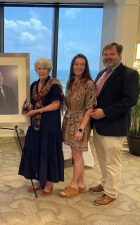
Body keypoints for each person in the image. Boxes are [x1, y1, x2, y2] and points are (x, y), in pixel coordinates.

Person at [90, 42, 140, 205]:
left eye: (111, 54)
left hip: (114, 125)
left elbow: (129, 100)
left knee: (112, 162)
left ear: (119, 55)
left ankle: (111, 193)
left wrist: (105, 112)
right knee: (102, 159)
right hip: (99, 126)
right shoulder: (101, 74)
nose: (108, 57)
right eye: (105, 54)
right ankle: (105, 184)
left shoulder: (129, 74)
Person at [18, 57, 64, 196]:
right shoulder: (34, 85)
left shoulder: (55, 84)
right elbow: (32, 103)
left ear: (49, 69)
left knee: (49, 152)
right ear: (36, 70)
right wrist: (27, 108)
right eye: (39, 68)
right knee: (36, 151)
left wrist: (37, 111)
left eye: (44, 68)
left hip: (50, 125)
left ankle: (49, 183)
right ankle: (39, 180)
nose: (42, 71)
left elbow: (56, 105)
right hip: (36, 125)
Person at [59, 54, 96, 198]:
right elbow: (67, 102)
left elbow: (89, 108)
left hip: (81, 122)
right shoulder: (71, 81)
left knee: (77, 155)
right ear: (72, 66)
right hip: (69, 120)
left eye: (82, 64)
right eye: (76, 64)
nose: (79, 67)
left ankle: (74, 185)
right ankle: (81, 184)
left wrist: (81, 128)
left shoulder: (89, 84)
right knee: (76, 154)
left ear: (86, 67)